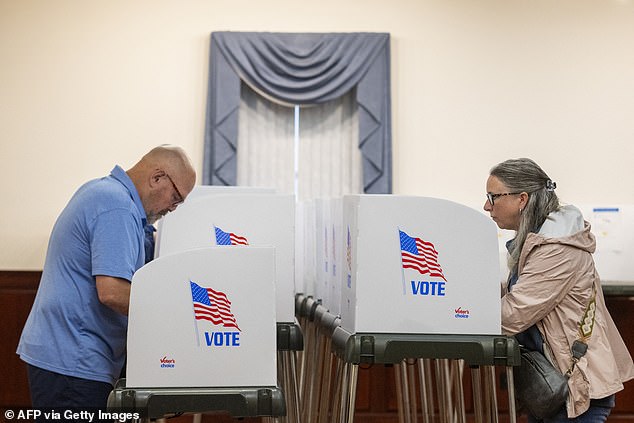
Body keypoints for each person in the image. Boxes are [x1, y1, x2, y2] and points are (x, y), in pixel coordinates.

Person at [17, 145, 196, 413]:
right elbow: (112, 291)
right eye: (176, 197)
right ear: (157, 178)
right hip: (75, 362)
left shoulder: (105, 193)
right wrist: (174, 312)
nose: (173, 207)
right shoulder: (117, 207)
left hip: (69, 357)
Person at [484, 158, 634, 422]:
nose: (487, 206)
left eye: (493, 197)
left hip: (575, 390)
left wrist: (461, 316)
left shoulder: (557, 249)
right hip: (554, 386)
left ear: (521, 199)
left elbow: (515, 313)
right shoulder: (538, 242)